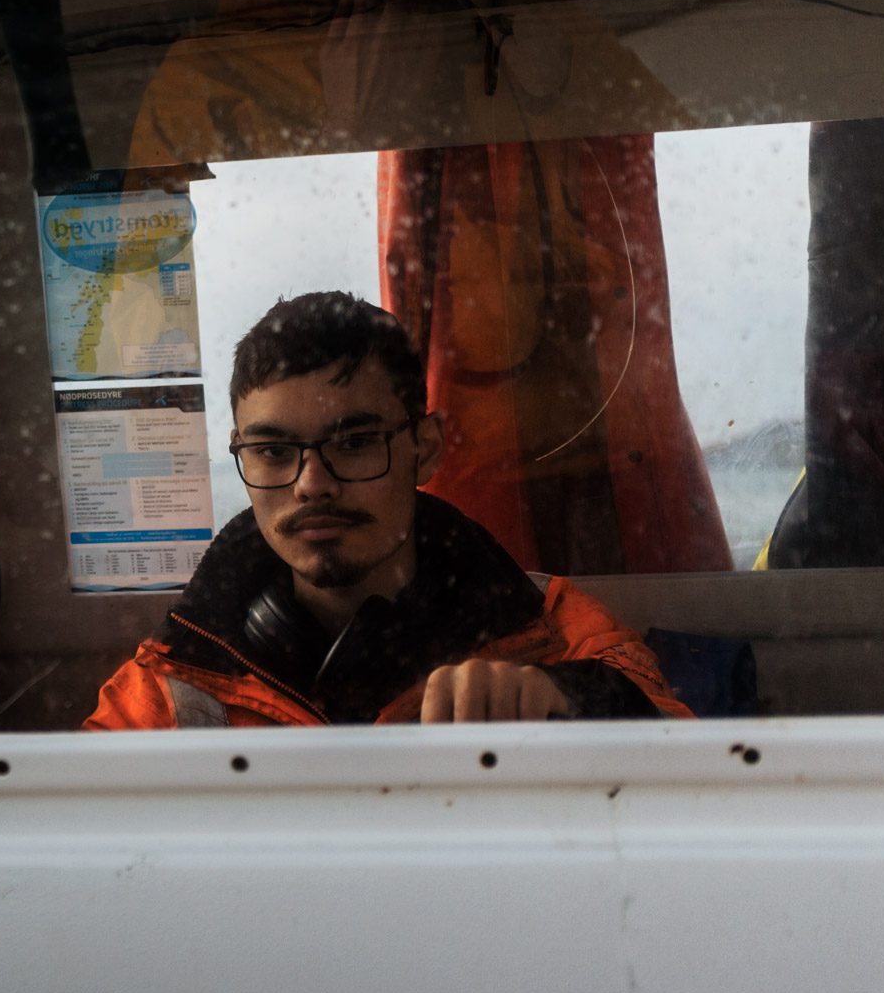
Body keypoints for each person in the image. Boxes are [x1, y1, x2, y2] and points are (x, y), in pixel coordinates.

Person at [86, 292, 690, 728]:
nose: (311, 485)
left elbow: (689, 757)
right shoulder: (169, 681)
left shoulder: (555, 628)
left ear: (425, 450)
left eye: (354, 443)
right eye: (273, 451)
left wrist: (566, 699)